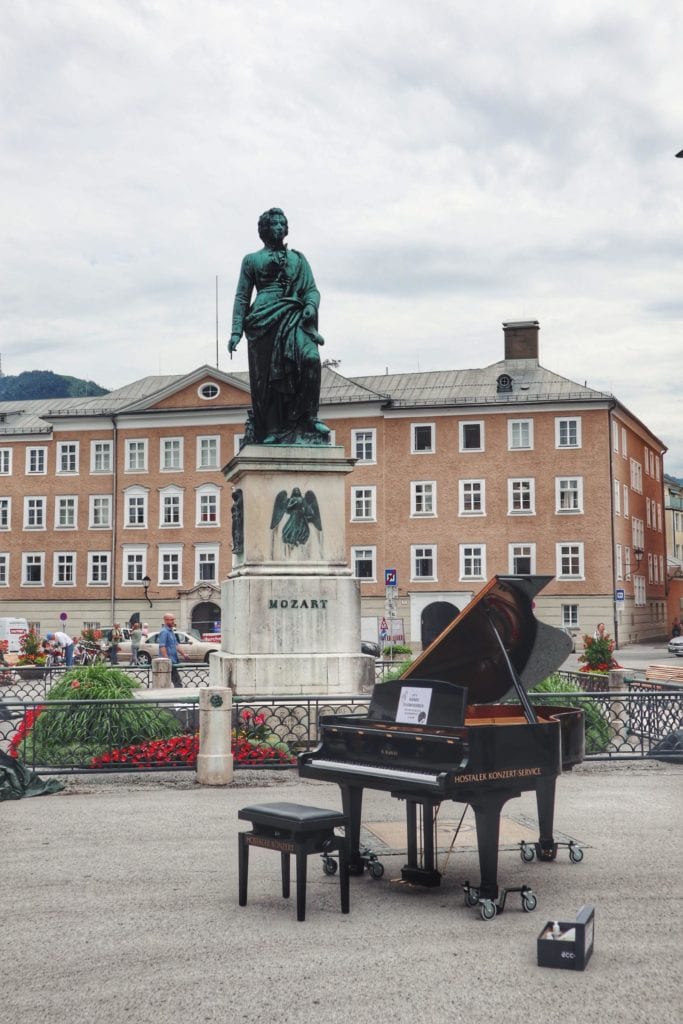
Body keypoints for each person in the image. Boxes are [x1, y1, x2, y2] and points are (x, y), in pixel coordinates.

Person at [229, 207, 331, 446]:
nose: (278, 228)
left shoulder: (298, 259)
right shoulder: (252, 260)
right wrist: (236, 330)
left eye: (281, 224)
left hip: (295, 315)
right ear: (264, 230)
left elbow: (312, 290)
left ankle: (309, 416)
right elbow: (242, 296)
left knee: (310, 359)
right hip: (263, 320)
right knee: (268, 378)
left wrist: (310, 306)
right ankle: (273, 427)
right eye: (273, 224)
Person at [157, 613, 187, 688]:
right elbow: (162, 646)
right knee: (176, 682)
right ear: (166, 621)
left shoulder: (171, 631)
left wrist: (184, 654)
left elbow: (176, 645)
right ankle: (179, 697)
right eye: (171, 620)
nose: (173, 621)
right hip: (168, 661)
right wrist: (166, 659)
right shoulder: (164, 632)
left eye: (173, 619)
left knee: (174, 681)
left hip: (172, 661)